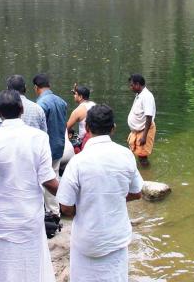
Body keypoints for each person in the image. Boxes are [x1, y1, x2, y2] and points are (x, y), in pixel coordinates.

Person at [57, 105, 143, 282]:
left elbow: (65, 206)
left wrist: (83, 207)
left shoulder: (78, 162)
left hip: (86, 240)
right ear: (113, 128)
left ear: (87, 128)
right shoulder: (126, 155)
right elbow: (137, 193)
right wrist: (115, 198)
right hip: (116, 238)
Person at [0, 91, 59, 282]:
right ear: (22, 110)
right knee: (32, 266)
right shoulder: (39, 137)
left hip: (0, 218)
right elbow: (48, 180)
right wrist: (73, 198)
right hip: (29, 216)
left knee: (2, 267)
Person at [33, 73, 67, 219]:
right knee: (54, 177)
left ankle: (48, 213)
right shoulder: (62, 102)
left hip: (46, 148)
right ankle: (56, 211)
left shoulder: (40, 105)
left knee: (44, 181)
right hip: (59, 145)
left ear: (36, 87)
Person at [126, 74, 156, 166]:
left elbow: (149, 117)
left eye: (132, 85)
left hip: (143, 131)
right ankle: (141, 172)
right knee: (134, 151)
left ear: (138, 84)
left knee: (142, 156)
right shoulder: (139, 94)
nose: (130, 87)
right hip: (137, 130)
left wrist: (144, 136)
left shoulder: (147, 96)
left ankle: (147, 175)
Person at [66, 84, 96, 153]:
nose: (74, 96)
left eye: (75, 94)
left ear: (80, 97)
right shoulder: (94, 104)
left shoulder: (78, 110)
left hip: (86, 141)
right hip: (96, 136)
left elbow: (66, 128)